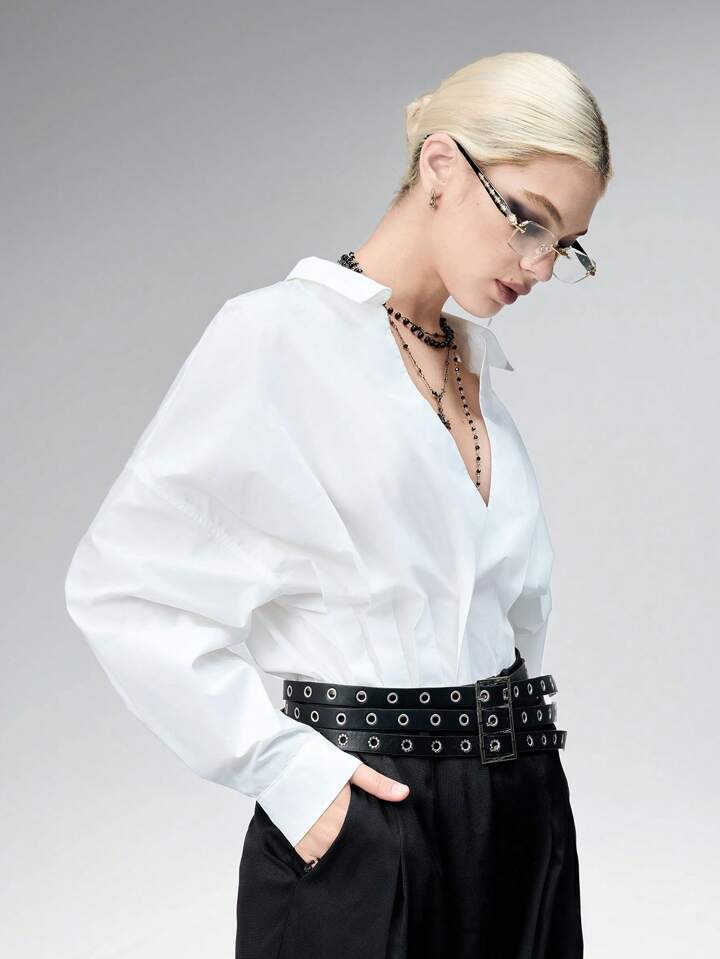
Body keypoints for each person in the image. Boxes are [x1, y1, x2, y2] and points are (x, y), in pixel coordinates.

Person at [64, 50, 611, 959]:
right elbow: (125, 587)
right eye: (529, 221)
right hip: (372, 816)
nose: (541, 266)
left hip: (521, 811)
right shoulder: (278, 339)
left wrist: (522, 795)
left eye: (566, 243)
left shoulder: (475, 372)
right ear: (441, 165)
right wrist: (290, 773)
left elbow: (507, 617)